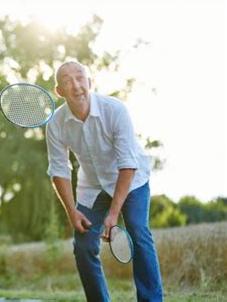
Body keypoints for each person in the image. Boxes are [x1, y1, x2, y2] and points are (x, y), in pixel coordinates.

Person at [46, 60, 163, 302]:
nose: (76, 85)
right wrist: (71, 211)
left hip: (132, 180)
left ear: (89, 82)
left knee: (138, 230)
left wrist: (113, 214)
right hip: (92, 186)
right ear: (59, 91)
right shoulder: (56, 123)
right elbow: (59, 170)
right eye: (67, 81)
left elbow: (127, 164)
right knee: (83, 246)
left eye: (80, 78)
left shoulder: (114, 109)